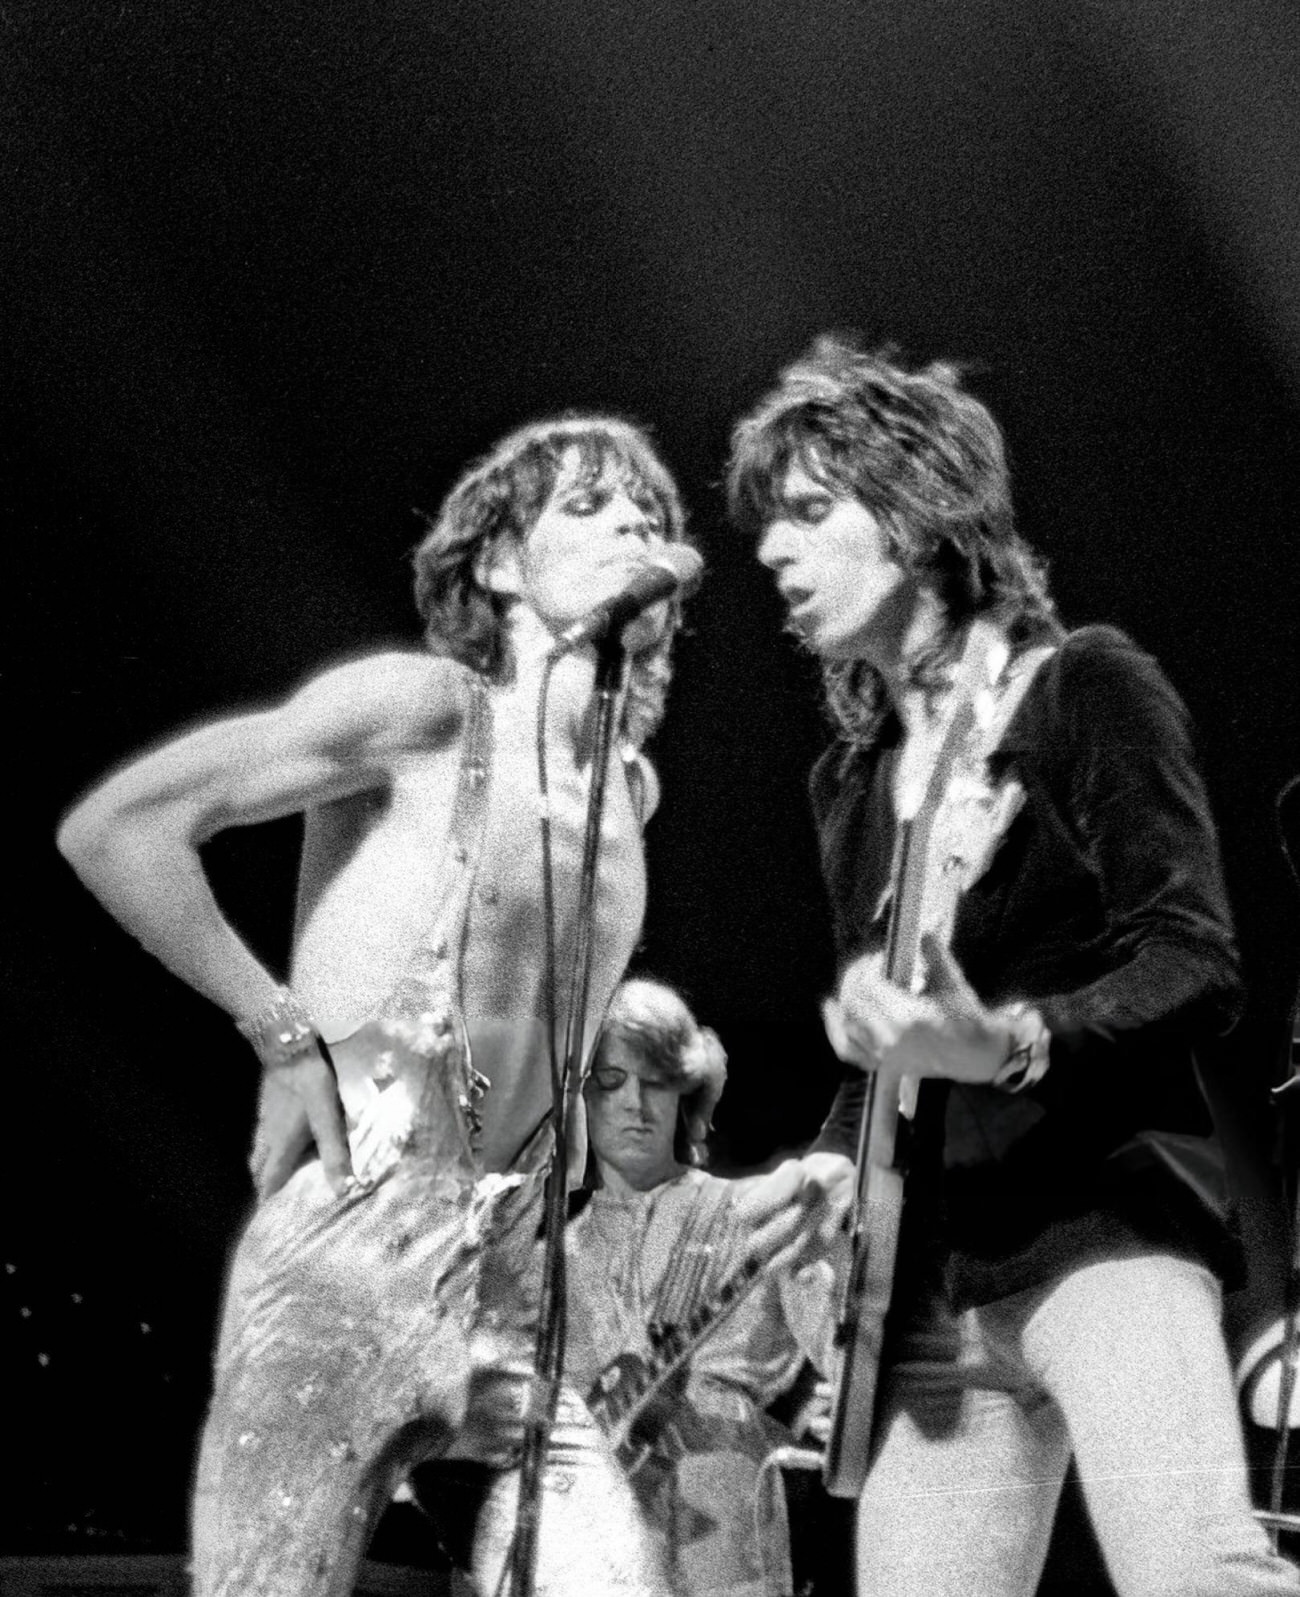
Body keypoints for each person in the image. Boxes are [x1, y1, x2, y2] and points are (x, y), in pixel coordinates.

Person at [57, 413, 702, 1597]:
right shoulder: (423, 708)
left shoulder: (631, 788)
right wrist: (279, 1029)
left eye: (649, 514)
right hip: (345, 1264)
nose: (633, 526)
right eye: (589, 505)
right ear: (497, 563)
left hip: (514, 1285)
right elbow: (119, 828)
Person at [727, 336, 1300, 1597]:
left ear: (917, 515)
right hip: (933, 1298)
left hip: (1106, 1237)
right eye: (767, 524)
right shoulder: (849, 786)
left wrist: (1014, 1039)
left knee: (1197, 1579)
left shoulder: (1081, 687)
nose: (770, 550)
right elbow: (890, 1051)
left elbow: (1193, 955)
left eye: (810, 512)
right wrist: (827, 1163)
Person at [560, 977, 839, 1597]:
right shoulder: (554, 1262)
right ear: (580, 1093)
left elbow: (846, 1359)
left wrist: (827, 1269)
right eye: (612, 1080)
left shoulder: (753, 1213)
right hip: (590, 1537)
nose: (636, 1103)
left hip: (723, 1521)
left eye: (657, 1081)